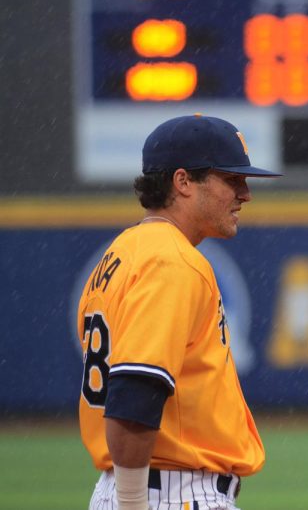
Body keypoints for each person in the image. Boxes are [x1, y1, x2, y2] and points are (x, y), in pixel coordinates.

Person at [77, 114, 281, 509]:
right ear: (183, 182)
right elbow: (135, 391)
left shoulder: (122, 254)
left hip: (133, 484)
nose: (245, 194)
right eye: (231, 180)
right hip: (168, 493)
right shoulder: (171, 262)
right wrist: (133, 503)